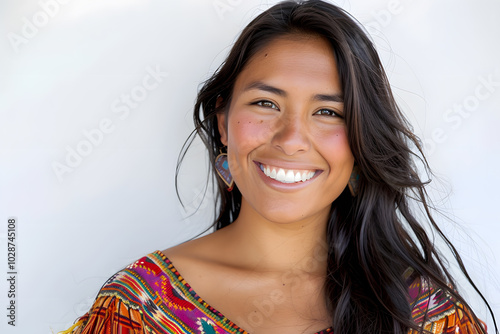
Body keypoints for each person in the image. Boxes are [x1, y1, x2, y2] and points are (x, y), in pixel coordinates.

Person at [60, 1, 496, 333]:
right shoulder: (138, 309)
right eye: (265, 103)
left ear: (361, 142)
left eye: (328, 112)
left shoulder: (424, 314)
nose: (290, 139)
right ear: (223, 123)